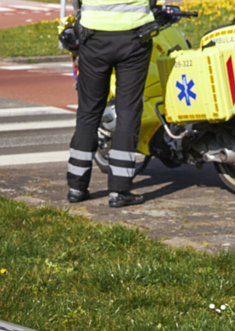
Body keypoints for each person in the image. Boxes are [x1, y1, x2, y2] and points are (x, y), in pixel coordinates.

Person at [66, 0, 154, 208]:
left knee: (88, 113)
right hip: (134, 36)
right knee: (128, 112)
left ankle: (76, 188)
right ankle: (119, 190)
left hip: (94, 35)